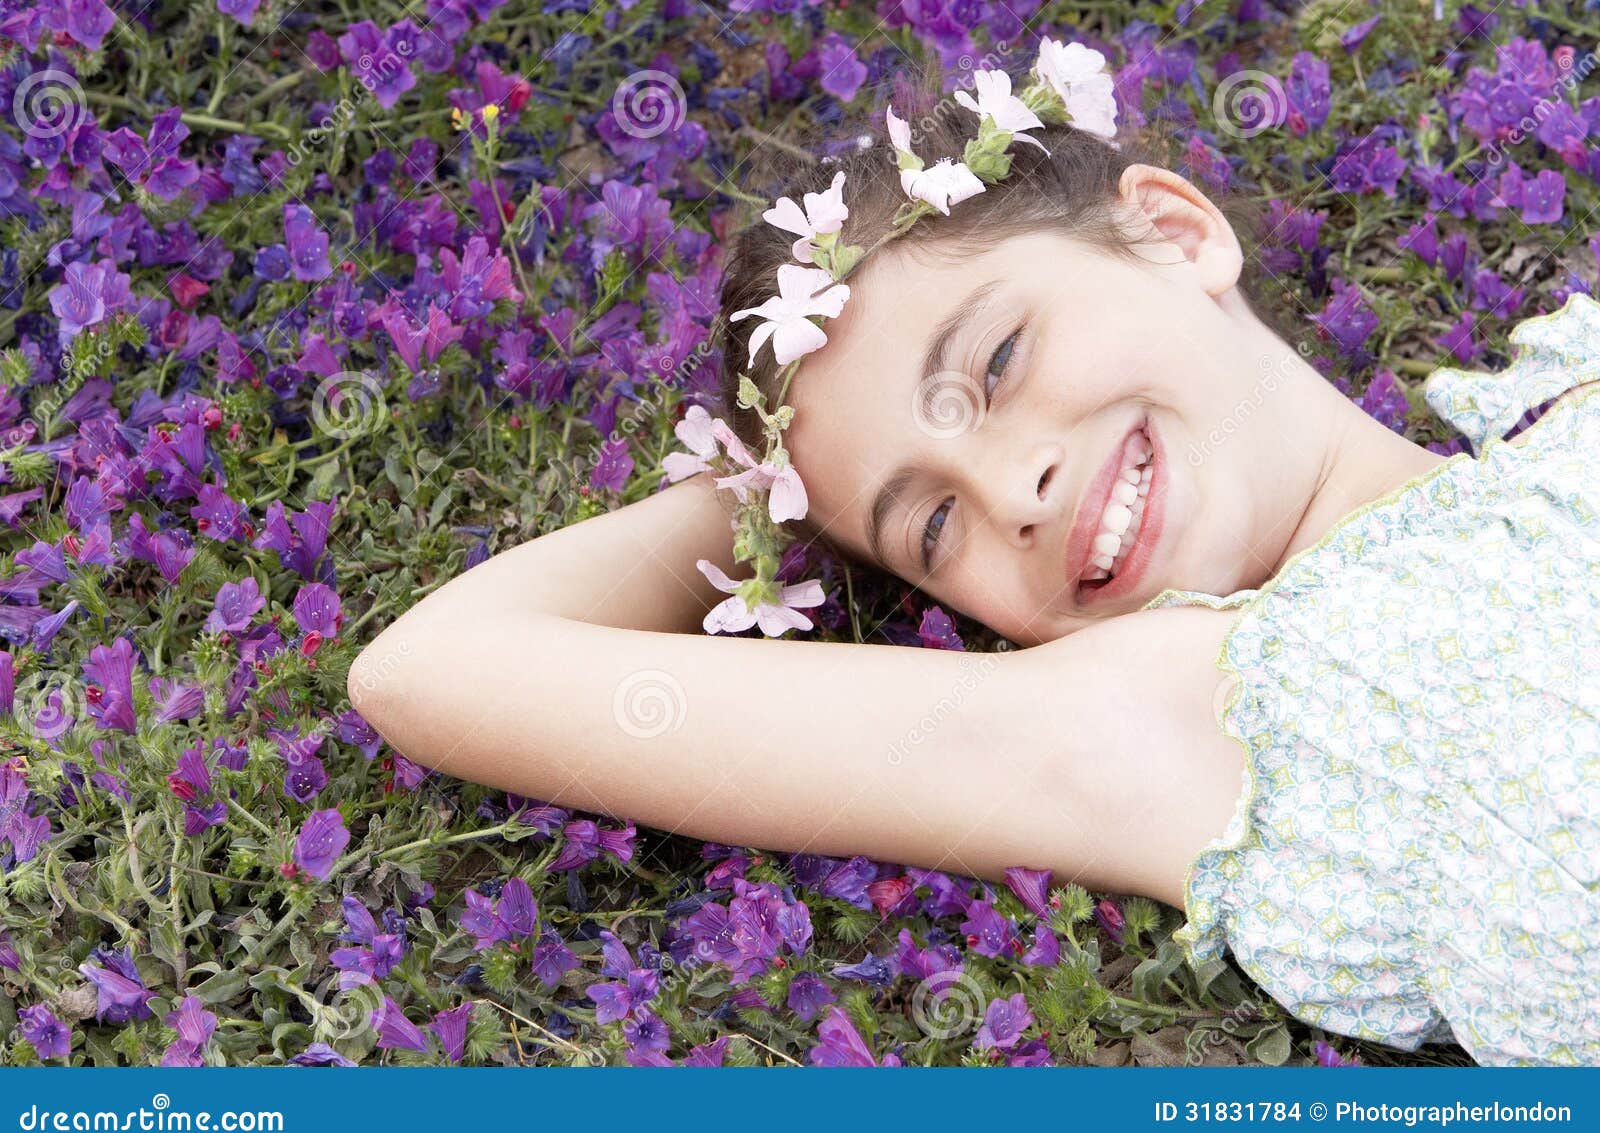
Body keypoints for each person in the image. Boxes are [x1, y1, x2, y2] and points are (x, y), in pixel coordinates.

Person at [348, 45, 1600, 1065]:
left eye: (995, 364)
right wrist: (777, 486)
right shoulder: (1176, 719)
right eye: (930, 528)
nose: (1013, 492)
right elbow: (433, 668)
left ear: (1168, 230)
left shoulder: (1575, 388)